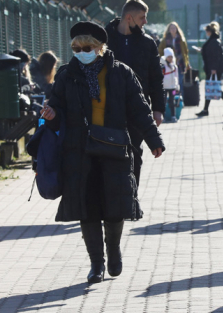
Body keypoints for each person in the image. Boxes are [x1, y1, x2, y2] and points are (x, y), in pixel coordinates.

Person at [40, 21, 164, 283]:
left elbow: (139, 109)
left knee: (114, 205)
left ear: (99, 48)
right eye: (76, 48)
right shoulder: (66, 75)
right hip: (79, 151)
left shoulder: (121, 73)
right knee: (87, 208)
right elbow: (57, 109)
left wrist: (154, 139)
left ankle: (114, 249)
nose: (81, 52)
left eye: (87, 47)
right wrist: (51, 115)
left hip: (115, 148)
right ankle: (96, 263)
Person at [105, 0, 165, 189]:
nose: (145, 22)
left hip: (138, 108)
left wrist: (157, 109)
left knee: (134, 154)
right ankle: (110, 199)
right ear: (129, 18)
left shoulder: (148, 43)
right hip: (108, 107)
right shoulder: (104, 39)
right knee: (109, 153)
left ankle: (131, 198)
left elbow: (156, 79)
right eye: (142, 18)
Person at [196, 21, 223, 117]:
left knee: (212, 88)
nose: (206, 33)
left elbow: (215, 56)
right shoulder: (214, 40)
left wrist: (213, 68)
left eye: (207, 31)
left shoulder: (214, 41)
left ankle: (206, 109)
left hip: (213, 69)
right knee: (214, 87)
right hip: (212, 68)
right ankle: (207, 109)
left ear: (210, 31)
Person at [158, 22, 190, 88]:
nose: (173, 29)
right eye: (171, 28)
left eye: (174, 28)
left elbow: (185, 52)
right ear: (169, 30)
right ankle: (172, 96)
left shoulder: (181, 39)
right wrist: (164, 59)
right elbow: (160, 51)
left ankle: (179, 97)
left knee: (180, 82)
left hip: (180, 63)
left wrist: (187, 64)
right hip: (168, 64)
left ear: (177, 29)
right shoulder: (165, 40)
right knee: (171, 82)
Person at [160, 47, 180, 123]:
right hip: (164, 87)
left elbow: (176, 76)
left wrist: (177, 86)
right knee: (163, 102)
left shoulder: (174, 66)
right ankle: (163, 117)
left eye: (171, 57)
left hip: (172, 87)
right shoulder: (163, 66)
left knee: (172, 102)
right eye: (169, 57)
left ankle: (173, 116)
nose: (170, 58)